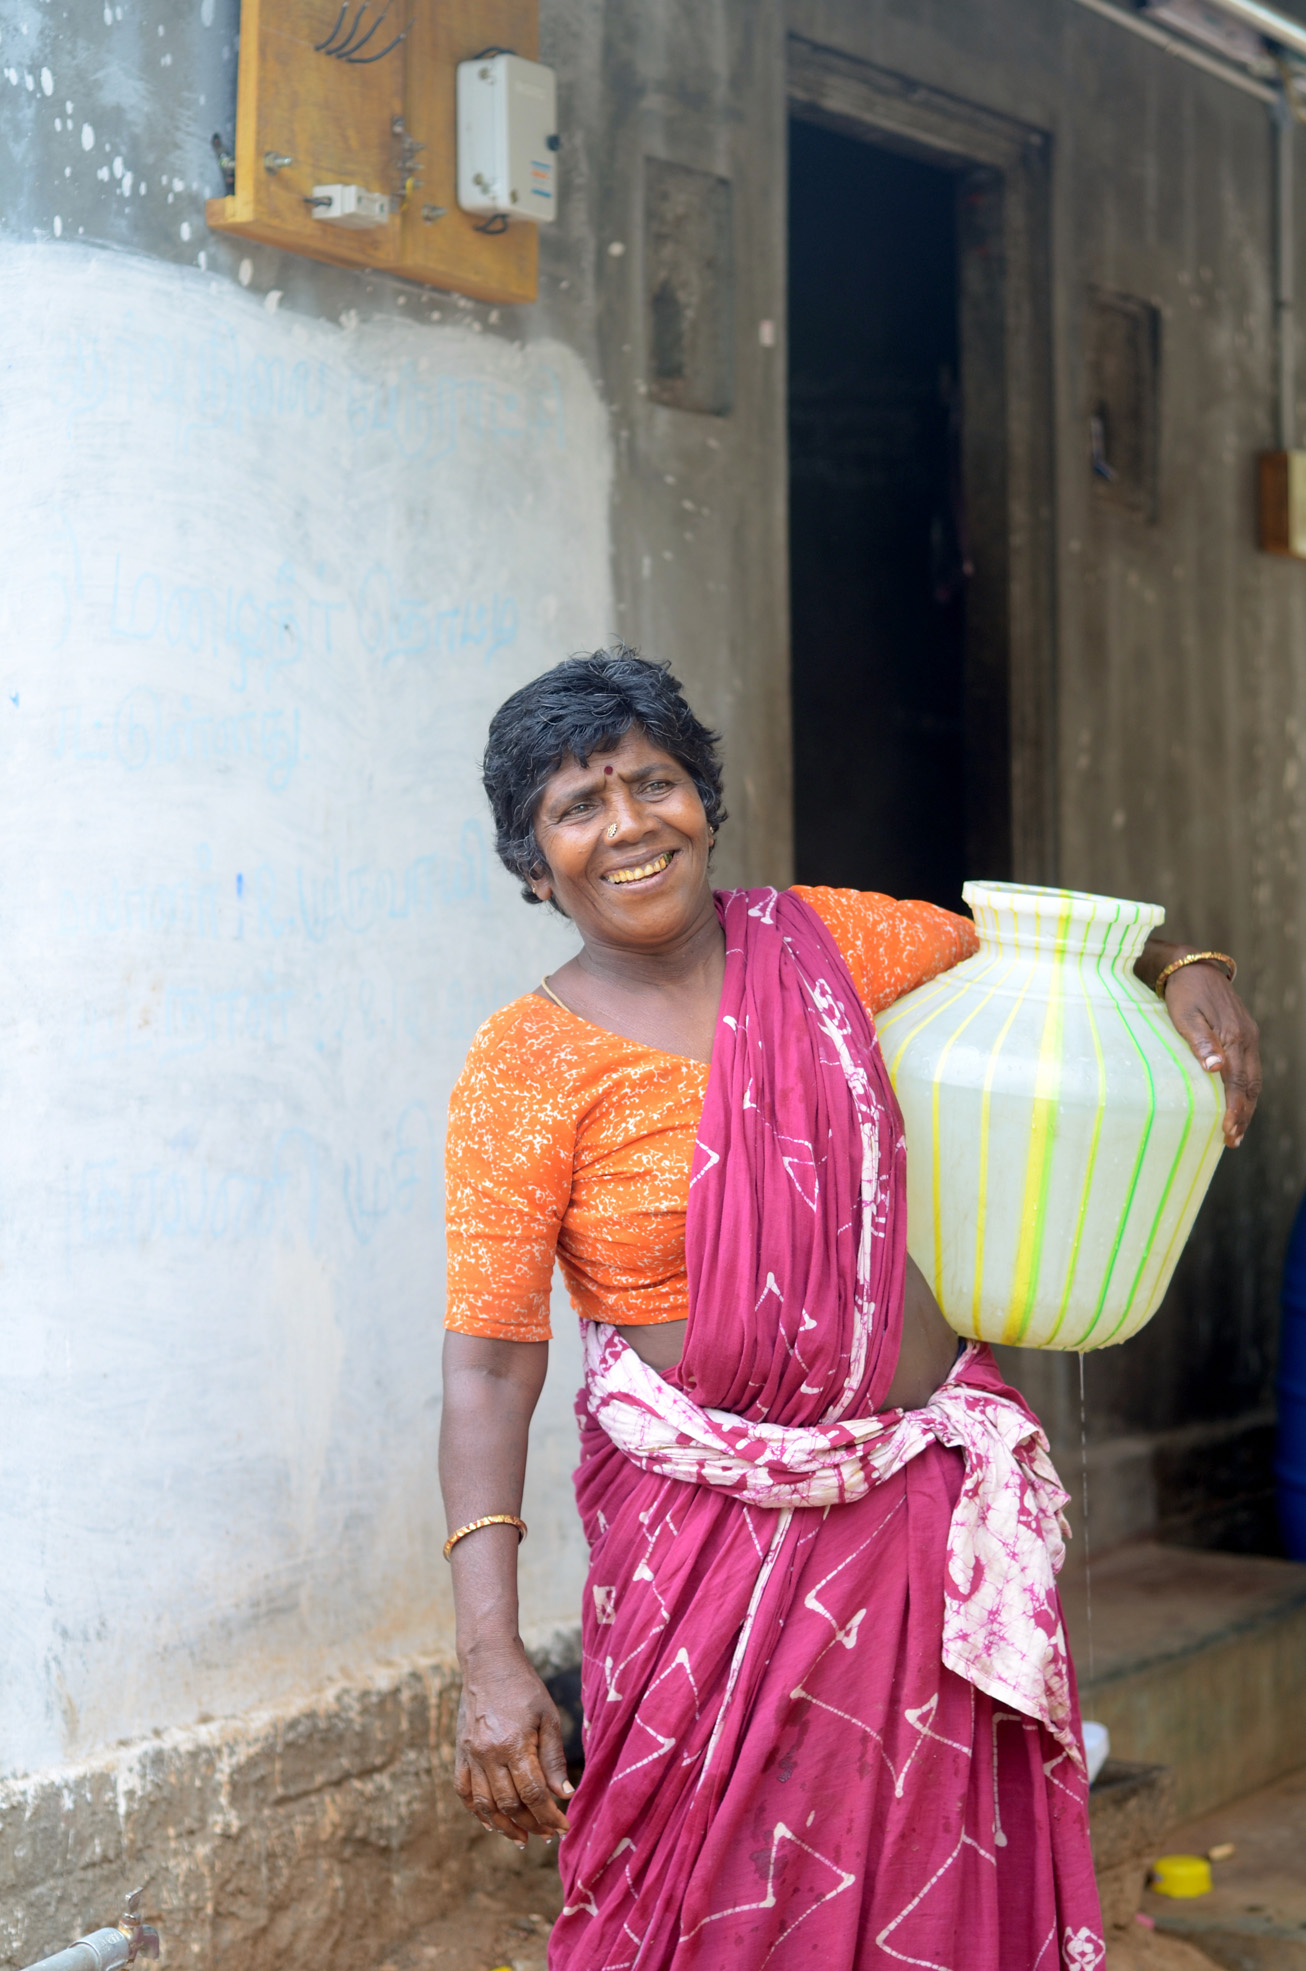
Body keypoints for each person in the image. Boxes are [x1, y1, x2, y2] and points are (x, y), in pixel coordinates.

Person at [439, 649, 1260, 1970]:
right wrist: (487, 1656)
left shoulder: (829, 941)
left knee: (921, 1883)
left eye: (653, 783)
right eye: (576, 807)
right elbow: (485, 1369)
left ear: (704, 802)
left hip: (908, 1532)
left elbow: (1055, 957)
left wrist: (1186, 970)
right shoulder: (523, 1067)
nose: (628, 824)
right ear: (533, 866)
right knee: (699, 1899)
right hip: (694, 1553)